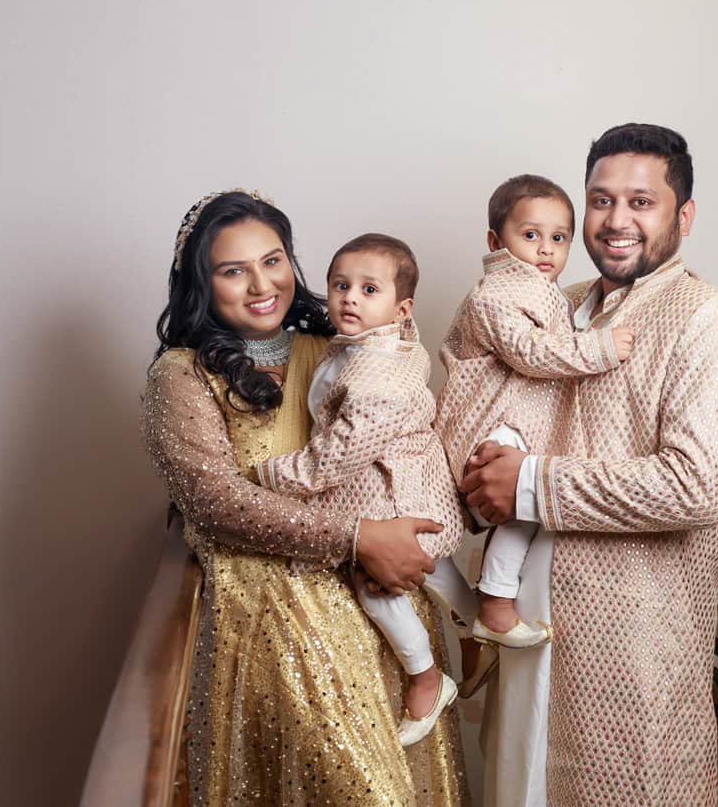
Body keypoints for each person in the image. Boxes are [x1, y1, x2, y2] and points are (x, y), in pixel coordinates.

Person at [462, 125, 718, 806]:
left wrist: (531, 481)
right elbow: (486, 403)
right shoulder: (552, 303)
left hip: (630, 658)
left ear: (682, 215)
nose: (616, 220)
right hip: (524, 636)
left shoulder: (709, 318)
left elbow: (699, 484)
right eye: (600, 201)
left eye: (640, 201)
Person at [141, 190, 469, 805]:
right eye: (233, 270)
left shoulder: (343, 349)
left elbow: (412, 431)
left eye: (274, 260)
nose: (262, 283)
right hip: (271, 615)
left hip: (381, 600)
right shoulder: (183, 375)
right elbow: (216, 503)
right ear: (200, 284)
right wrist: (357, 538)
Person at [253, 233, 467, 747]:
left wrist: (271, 477)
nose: (350, 297)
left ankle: (426, 677)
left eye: (369, 289)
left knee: (379, 592)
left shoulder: (377, 373)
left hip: (389, 493)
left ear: (401, 308)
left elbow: (337, 454)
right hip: (399, 483)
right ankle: (482, 628)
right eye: (340, 285)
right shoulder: (367, 344)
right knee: (442, 577)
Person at [435, 174, 635, 659]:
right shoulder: (495, 294)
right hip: (489, 421)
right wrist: (601, 347)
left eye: (559, 237)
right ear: (494, 241)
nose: (546, 249)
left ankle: (478, 614)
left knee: (532, 507)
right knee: (527, 503)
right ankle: (495, 604)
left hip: (515, 420)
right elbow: (531, 352)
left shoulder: (545, 292)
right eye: (530, 235)